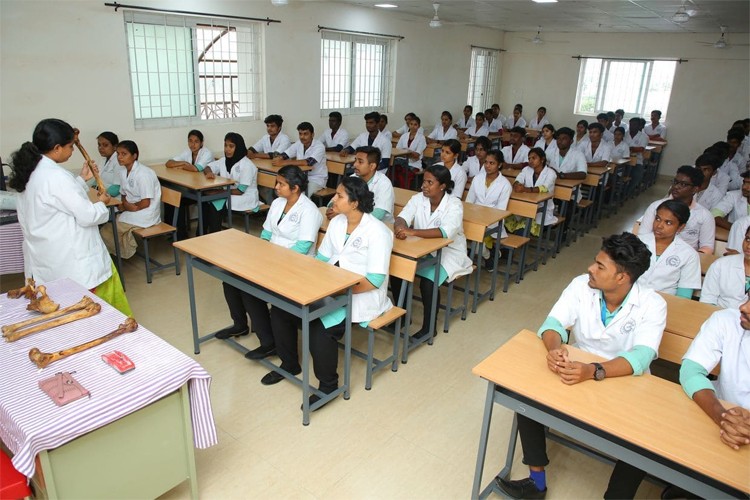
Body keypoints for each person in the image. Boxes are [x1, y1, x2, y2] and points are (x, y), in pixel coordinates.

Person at [496, 232, 666, 500]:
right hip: (579, 367)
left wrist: (594, 370)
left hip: (625, 380)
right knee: (525, 394)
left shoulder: (653, 304)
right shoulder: (580, 286)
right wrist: (555, 349)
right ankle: (536, 482)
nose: (590, 268)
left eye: (600, 266)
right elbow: (553, 325)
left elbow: (641, 357)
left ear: (622, 277)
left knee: (640, 442)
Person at [267, 176, 393, 408]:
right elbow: (322, 259)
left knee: (320, 326)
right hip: (328, 287)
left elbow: (374, 280)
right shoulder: (337, 223)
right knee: (281, 308)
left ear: (354, 203)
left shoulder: (378, 232)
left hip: (360, 294)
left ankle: (328, 386)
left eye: (340, 196)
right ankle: (289, 363)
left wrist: (334, 291)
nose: (333, 199)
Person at [10, 118, 131, 315]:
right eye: (70, 146)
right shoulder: (56, 176)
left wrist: (81, 181)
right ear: (57, 148)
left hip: (48, 257)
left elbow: (58, 200)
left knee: (63, 307)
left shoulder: (32, 172)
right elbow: (88, 215)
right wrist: (102, 203)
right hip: (73, 260)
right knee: (92, 310)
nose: (72, 150)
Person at [215, 166, 323, 361]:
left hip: (296, 266)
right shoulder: (278, 204)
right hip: (272, 259)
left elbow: (304, 246)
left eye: (281, 184)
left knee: (250, 289)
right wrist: (261, 255)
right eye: (277, 183)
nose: (276, 187)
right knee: (231, 278)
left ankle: (268, 343)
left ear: (295, 187)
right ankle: (240, 324)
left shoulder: (309, 210)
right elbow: (266, 232)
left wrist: (273, 261)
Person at [392, 164, 473, 340]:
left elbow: (445, 233)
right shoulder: (418, 199)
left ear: (442, 185)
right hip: (422, 248)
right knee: (397, 270)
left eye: (430, 182)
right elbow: (401, 217)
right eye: (424, 182)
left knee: (428, 282)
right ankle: (403, 316)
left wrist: (411, 232)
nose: (424, 186)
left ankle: (429, 328)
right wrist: (400, 227)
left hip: (449, 252)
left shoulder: (454, 204)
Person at [680, 296, 750, 450]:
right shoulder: (725, 320)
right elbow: (690, 371)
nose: (744, 307)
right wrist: (723, 417)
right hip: (717, 410)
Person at [100, 140, 161, 259]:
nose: (120, 157)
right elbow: (123, 193)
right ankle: (120, 252)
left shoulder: (144, 174)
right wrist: (125, 203)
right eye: (118, 154)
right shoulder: (123, 172)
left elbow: (145, 202)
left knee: (106, 231)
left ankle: (121, 254)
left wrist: (129, 207)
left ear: (134, 156)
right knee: (110, 225)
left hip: (145, 213)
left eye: (124, 154)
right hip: (133, 209)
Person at [639, 165, 715, 254]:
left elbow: (707, 247)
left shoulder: (704, 215)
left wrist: (689, 260)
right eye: (675, 182)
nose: (676, 187)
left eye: (683, 184)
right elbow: (643, 236)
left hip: (686, 259)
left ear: (695, 189)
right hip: (653, 253)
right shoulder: (656, 206)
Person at [636, 200, 701, 298]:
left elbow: (683, 297)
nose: (659, 226)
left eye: (668, 222)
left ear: (680, 227)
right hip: (630, 300)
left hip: (665, 304)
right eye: (657, 219)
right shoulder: (637, 242)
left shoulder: (689, 255)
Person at [204, 133, 259, 234]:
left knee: (215, 202)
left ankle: (214, 235)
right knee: (207, 202)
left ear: (239, 147)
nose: (227, 149)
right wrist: (209, 172)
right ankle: (203, 234)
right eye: (225, 145)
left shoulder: (246, 165)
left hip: (244, 196)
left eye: (231, 146)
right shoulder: (224, 160)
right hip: (230, 192)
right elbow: (208, 167)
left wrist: (219, 192)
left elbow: (240, 190)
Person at [466, 149, 512, 269]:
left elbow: (500, 211)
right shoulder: (478, 178)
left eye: (492, 163)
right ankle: (487, 256)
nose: (487, 166)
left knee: (475, 235)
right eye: (486, 162)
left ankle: (486, 255)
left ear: (500, 165)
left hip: (493, 221)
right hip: (474, 216)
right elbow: (469, 202)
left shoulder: (505, 184)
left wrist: (482, 218)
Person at [165, 129, 214, 239]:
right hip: (192, 188)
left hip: (206, 190)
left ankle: (186, 235)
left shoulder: (207, 153)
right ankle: (176, 234)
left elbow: (196, 169)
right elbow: (168, 163)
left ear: (202, 143)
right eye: (190, 141)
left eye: (196, 141)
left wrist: (183, 166)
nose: (193, 144)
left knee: (178, 200)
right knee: (172, 198)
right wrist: (184, 163)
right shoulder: (187, 152)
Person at [327, 146, 394, 223]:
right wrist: (332, 209)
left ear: (372, 166)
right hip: (352, 223)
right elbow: (334, 201)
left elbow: (378, 215)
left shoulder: (384, 184)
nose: (355, 164)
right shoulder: (353, 178)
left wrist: (344, 214)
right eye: (355, 160)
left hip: (379, 226)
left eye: (360, 162)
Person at [505, 147, 557, 238]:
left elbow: (544, 188)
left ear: (542, 159)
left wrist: (524, 189)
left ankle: (516, 246)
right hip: (524, 205)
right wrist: (517, 185)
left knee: (522, 229)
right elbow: (518, 179)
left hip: (541, 209)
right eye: (529, 158)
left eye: (534, 158)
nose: (531, 161)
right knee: (505, 220)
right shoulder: (526, 170)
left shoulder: (551, 173)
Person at [700, 226, 749, 309]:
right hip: (720, 318)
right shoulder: (721, 264)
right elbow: (707, 300)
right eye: (748, 239)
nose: (749, 246)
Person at [273, 122, 328, 196]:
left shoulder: (319, 146)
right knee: (287, 191)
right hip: (301, 177)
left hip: (316, 178)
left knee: (302, 195)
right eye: (300, 134)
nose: (302, 137)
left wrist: (283, 163)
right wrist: (279, 158)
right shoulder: (299, 143)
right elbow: (286, 154)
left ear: (312, 134)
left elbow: (308, 162)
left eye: (305, 134)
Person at [624, 117, 649, 198]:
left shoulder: (643, 136)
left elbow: (641, 149)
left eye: (635, 125)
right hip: (623, 159)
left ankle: (627, 193)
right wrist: (631, 148)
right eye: (631, 124)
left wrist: (629, 148)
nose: (632, 126)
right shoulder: (625, 134)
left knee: (637, 175)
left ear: (639, 126)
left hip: (637, 161)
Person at [94, 131, 123, 196]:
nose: (100, 148)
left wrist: (101, 197)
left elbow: (117, 187)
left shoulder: (119, 161)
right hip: (103, 196)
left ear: (115, 147)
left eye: (105, 145)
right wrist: (92, 189)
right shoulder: (103, 159)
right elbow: (98, 178)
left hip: (114, 199)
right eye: (99, 145)